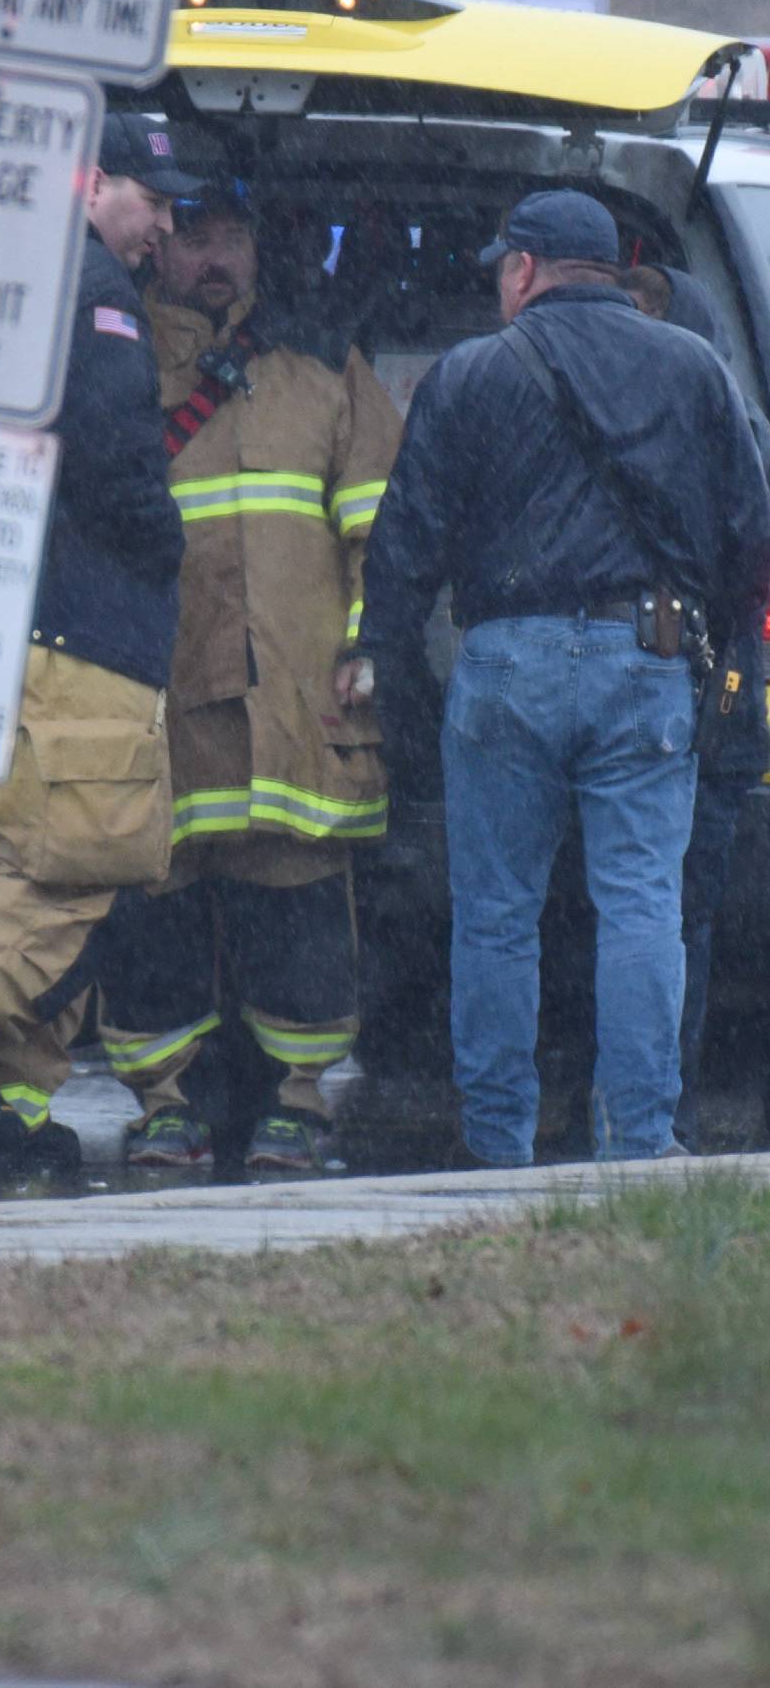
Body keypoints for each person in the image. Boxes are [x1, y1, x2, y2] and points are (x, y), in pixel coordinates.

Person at [358, 190, 770, 1166]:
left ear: (525, 269)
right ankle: (638, 1135)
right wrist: (714, 652)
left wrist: (387, 668)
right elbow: (752, 534)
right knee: (641, 901)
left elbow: (404, 543)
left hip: (505, 664)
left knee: (497, 916)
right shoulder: (696, 367)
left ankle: (496, 1140)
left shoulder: (468, 373)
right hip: (649, 661)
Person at [0, 116, 200, 1162]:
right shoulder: (97, 298)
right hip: (82, 638)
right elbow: (119, 466)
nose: (164, 228)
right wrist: (167, 546)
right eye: (151, 202)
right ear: (88, 183)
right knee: (78, 861)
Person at [103, 181, 403, 1177]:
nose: (212, 255)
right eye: (191, 235)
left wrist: (363, 654)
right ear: (160, 246)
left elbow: (382, 539)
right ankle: (164, 1106)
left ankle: (298, 1103)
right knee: (153, 909)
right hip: (158, 702)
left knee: (300, 911)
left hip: (295, 708)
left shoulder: (325, 374)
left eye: (232, 232)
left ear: (261, 246)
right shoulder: (110, 353)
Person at [621, 265, 770, 1150]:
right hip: (690, 699)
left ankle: (655, 1109)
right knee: (656, 910)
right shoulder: (715, 414)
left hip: (712, 706)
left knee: (675, 911)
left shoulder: (719, 423)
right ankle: (638, 1108)